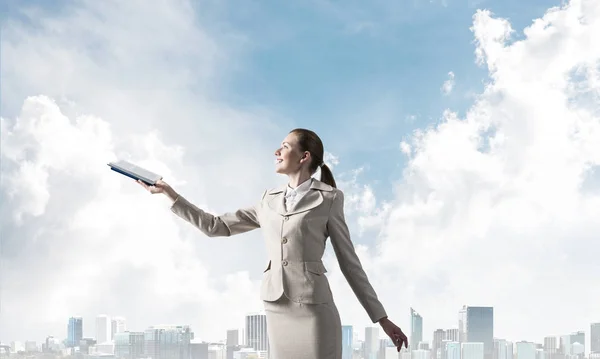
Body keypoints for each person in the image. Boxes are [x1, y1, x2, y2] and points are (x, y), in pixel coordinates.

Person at [138, 128, 408, 359]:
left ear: (304, 157)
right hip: (277, 307)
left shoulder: (329, 199)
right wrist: (171, 195)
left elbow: (350, 263)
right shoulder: (268, 199)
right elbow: (215, 226)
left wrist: (381, 318)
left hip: (314, 310)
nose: (276, 152)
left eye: (285, 146)